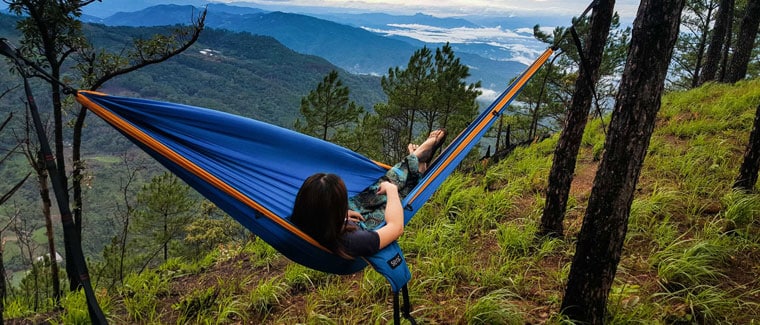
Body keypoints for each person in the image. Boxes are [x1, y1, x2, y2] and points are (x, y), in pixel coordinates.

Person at [290, 129, 447, 259]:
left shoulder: (301, 219)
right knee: (398, 193)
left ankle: (416, 161)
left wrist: (343, 214)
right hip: (365, 225)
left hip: (342, 220)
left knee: (377, 189)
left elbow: (319, 210)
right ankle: (417, 161)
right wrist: (391, 191)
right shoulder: (354, 241)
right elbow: (396, 227)